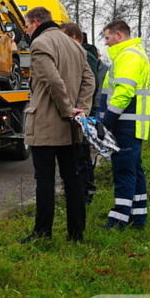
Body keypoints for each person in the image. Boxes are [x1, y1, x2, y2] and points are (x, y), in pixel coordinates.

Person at [20, 7, 96, 243]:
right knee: (72, 179)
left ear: (35, 22)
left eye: (26, 25)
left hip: (46, 122)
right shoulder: (74, 45)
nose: (25, 30)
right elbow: (89, 80)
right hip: (70, 126)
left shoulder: (40, 43)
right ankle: (76, 233)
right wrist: (80, 110)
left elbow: (52, 79)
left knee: (45, 180)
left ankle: (42, 233)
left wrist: (66, 110)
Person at [98, 19, 150, 230]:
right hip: (132, 126)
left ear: (119, 35)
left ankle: (118, 221)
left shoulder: (128, 56)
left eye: (108, 37)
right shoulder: (134, 54)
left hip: (124, 126)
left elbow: (123, 93)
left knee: (124, 173)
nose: (107, 42)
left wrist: (107, 122)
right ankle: (138, 219)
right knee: (134, 172)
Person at [61, 23, 100, 202]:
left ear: (75, 37)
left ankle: (86, 192)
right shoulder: (78, 53)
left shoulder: (85, 55)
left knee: (82, 153)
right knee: (76, 153)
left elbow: (89, 84)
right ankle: (78, 190)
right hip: (78, 111)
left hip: (84, 113)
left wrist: (82, 109)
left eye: (64, 37)